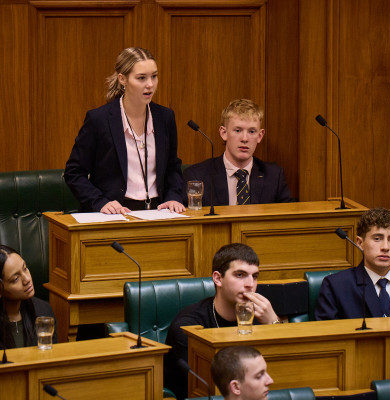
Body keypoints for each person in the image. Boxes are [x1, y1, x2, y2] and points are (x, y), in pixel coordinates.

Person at [64, 47, 185, 214]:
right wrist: (100, 202)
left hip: (159, 211)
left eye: (154, 76)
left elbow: (172, 167)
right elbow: (74, 172)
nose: (150, 84)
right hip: (116, 213)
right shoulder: (99, 119)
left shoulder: (165, 117)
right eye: (141, 78)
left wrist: (174, 196)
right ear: (123, 79)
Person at [164, 243, 282, 399]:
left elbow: (282, 370)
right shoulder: (188, 325)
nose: (250, 284)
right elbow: (210, 385)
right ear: (218, 278)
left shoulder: (262, 316)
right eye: (240, 275)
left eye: (254, 276)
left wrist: (274, 324)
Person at [183, 99, 292, 206]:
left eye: (252, 131)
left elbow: (288, 219)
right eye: (238, 130)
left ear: (260, 136)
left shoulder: (274, 176)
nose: (245, 139)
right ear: (224, 133)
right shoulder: (197, 176)